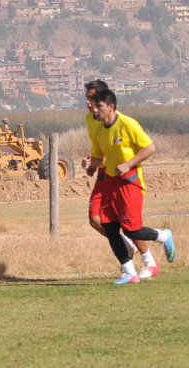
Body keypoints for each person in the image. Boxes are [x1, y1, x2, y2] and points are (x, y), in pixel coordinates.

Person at [85, 89, 176, 285]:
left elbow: (150, 147)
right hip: (110, 182)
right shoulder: (99, 129)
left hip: (130, 182)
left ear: (111, 107)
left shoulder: (127, 124)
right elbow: (98, 156)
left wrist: (128, 164)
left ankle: (163, 235)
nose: (95, 110)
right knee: (109, 228)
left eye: (99, 106)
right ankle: (129, 272)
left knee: (131, 230)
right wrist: (91, 166)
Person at [81, 80, 138, 261]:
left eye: (91, 98)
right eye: (86, 98)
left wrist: (96, 162)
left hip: (118, 176)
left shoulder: (115, 120)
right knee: (94, 219)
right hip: (102, 174)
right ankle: (127, 246)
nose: (88, 102)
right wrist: (92, 164)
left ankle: (154, 247)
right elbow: (100, 149)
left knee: (127, 223)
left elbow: (112, 153)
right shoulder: (89, 119)